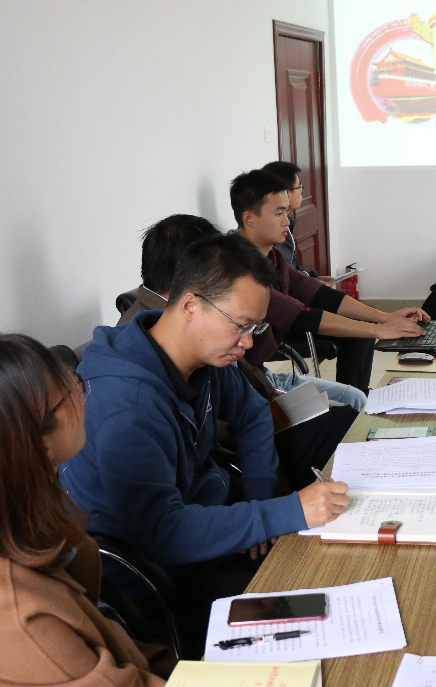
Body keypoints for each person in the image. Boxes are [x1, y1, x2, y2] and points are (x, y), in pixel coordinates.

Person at [61, 233, 351, 656]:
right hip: (164, 574)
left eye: (255, 327)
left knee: (325, 566)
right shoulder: (127, 407)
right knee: (309, 618)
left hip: (207, 522)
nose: (248, 343)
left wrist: (258, 500)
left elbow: (253, 414)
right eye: (241, 325)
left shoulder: (200, 354)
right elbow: (161, 533)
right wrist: (282, 512)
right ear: (190, 306)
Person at [0, 334, 174, 685]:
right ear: (36, 445)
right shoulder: (15, 615)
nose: (80, 387)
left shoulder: (1, 507)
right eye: (69, 387)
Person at [120, 213, 365, 411]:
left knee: (352, 402)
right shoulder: (154, 342)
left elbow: (243, 391)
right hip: (253, 412)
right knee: (345, 413)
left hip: (260, 390)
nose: (287, 221)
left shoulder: (200, 311)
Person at [230, 169, 429, 392]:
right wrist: (378, 330)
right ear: (249, 218)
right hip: (245, 380)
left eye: (287, 212)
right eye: (279, 214)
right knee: (350, 390)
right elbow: (298, 315)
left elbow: (319, 294)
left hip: (259, 371)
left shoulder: (273, 256)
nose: (287, 221)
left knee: (355, 391)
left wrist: (384, 317)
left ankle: (359, 397)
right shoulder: (235, 266)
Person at [260, 160, 329, 279]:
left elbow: (293, 267)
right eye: (299, 187)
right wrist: (311, 284)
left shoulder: (286, 220)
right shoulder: (272, 230)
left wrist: (313, 278)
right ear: (286, 193)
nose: (302, 191)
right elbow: (285, 278)